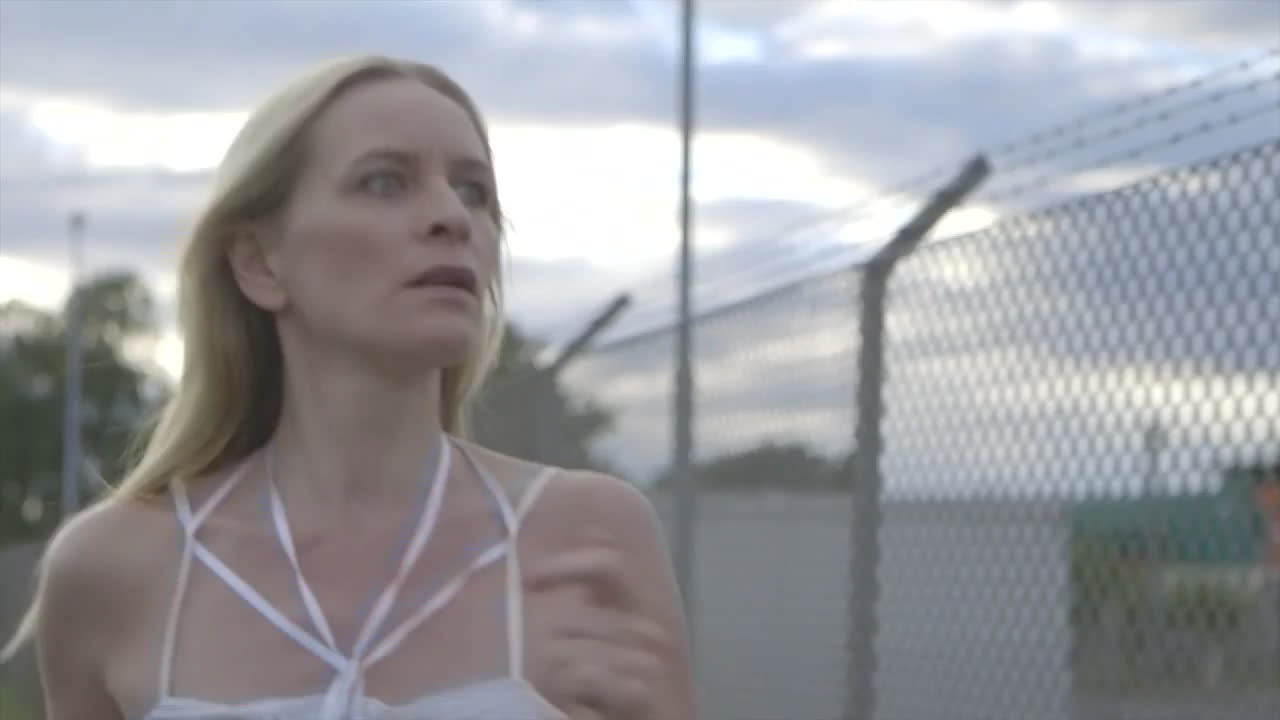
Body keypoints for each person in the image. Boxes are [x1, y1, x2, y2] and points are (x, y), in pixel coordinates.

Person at [2, 54, 697, 720]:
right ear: (258, 262)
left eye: (473, 191)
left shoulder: (584, 536)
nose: (452, 217)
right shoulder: (113, 568)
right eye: (385, 182)